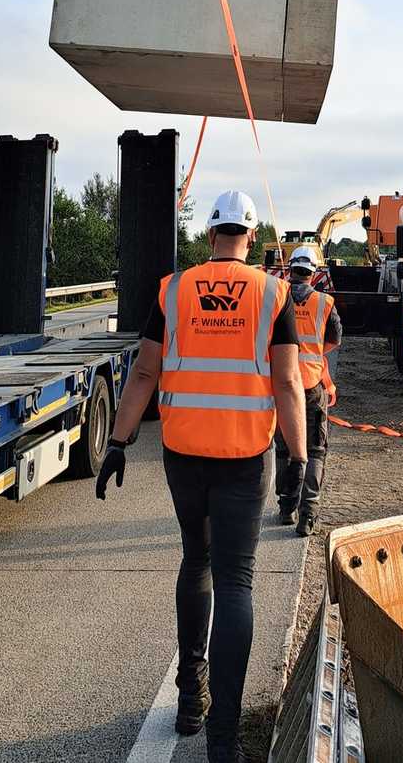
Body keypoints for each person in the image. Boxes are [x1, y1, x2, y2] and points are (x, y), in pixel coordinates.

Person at [95, 189, 307, 763]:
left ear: (209, 234)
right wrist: (299, 458)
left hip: (184, 455)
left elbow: (144, 371)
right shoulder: (272, 292)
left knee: (198, 560)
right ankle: (223, 741)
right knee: (237, 581)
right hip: (244, 457)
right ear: (253, 237)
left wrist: (117, 441)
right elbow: (289, 385)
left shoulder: (176, 288)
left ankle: (191, 698)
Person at [275, 245, 342, 537]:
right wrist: (314, 354)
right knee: (315, 449)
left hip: (281, 384)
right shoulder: (325, 302)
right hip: (312, 387)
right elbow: (335, 339)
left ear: (290, 269)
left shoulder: (277, 297)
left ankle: (286, 506)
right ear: (314, 273)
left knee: (284, 448)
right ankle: (308, 514)